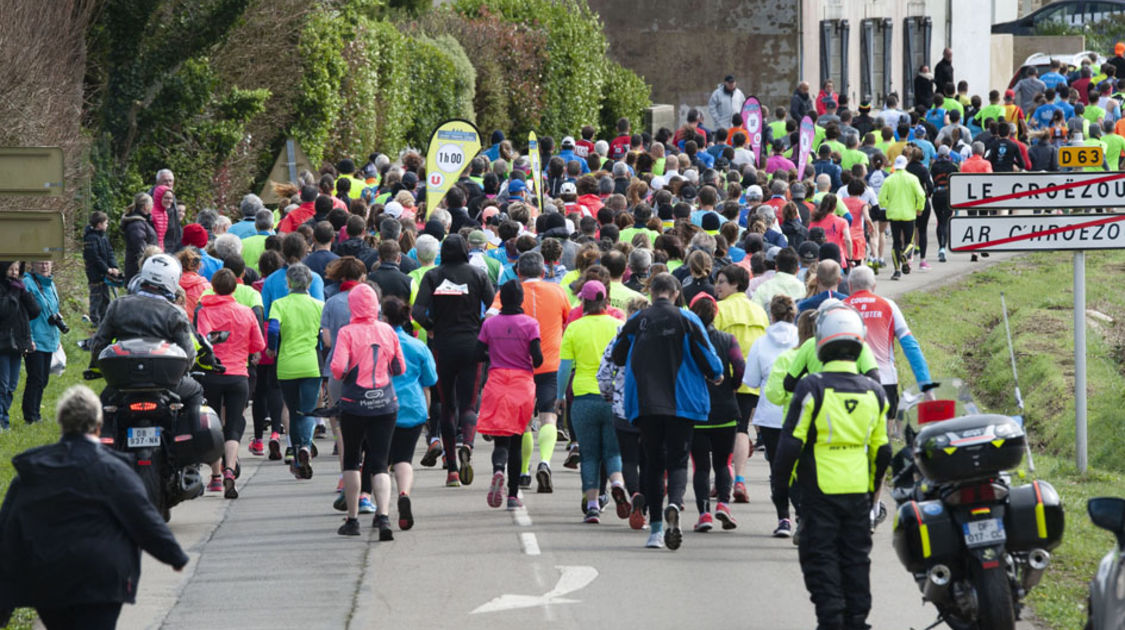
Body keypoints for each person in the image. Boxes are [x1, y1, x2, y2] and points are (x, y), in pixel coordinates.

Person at [0, 385, 189, 630]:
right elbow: (143, 517)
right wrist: (173, 555)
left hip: (49, 576)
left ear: (61, 423)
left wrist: (5, 599)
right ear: (98, 426)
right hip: (103, 575)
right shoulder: (114, 470)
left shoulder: (33, 471)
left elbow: (7, 530)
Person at [771, 302, 890, 630]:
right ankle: (857, 622)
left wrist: (779, 491)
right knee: (856, 561)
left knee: (820, 561)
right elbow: (882, 452)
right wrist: (871, 492)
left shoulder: (812, 388)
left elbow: (789, 445)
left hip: (818, 493)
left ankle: (833, 622)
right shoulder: (876, 393)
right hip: (857, 493)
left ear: (821, 341)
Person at [612, 273, 723, 550]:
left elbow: (617, 355)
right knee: (678, 460)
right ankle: (674, 502)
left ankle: (657, 530)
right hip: (683, 402)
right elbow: (707, 356)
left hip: (645, 402)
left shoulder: (637, 320)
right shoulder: (688, 319)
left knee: (652, 462)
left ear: (652, 294)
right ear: (675, 293)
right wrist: (717, 374)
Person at [843, 266, 933, 527]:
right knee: (878, 446)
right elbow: (910, 347)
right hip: (885, 384)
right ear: (874, 287)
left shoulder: (840, 307)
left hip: (848, 381)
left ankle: (852, 499)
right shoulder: (888, 306)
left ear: (849, 287)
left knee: (852, 444)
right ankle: (872, 507)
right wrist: (926, 386)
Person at [89, 254, 204, 441]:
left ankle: (105, 443)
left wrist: (105, 370)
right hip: (167, 383)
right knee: (196, 391)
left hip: (123, 382)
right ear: (173, 280)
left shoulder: (118, 306)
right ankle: (187, 440)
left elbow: (98, 345)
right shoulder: (175, 313)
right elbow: (189, 357)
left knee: (103, 405)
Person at [412, 234, 495, 487]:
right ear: (466, 250)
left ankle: (452, 472)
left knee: (448, 406)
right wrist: (480, 326)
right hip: (472, 345)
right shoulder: (478, 275)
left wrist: (432, 326)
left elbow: (417, 311)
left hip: (443, 346)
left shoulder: (433, 276)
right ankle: (467, 444)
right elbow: (493, 307)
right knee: (469, 405)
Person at [486, 252, 570, 492]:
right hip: (550, 363)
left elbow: (490, 317)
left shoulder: (508, 293)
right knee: (548, 416)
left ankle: (523, 471)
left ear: (517, 272)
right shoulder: (558, 292)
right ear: (544, 273)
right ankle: (544, 461)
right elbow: (567, 320)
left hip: (518, 365)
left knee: (522, 422)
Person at [329, 283, 404, 539]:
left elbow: (338, 369)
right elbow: (399, 367)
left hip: (355, 403)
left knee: (352, 459)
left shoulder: (347, 333)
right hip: (385, 402)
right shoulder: (387, 330)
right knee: (380, 462)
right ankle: (383, 517)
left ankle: (352, 519)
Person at [559, 280, 630, 523]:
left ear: (584, 301)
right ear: (606, 300)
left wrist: (559, 397)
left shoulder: (574, 328)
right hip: (613, 397)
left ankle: (592, 505)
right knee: (613, 451)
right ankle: (617, 483)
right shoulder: (619, 326)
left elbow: (565, 368)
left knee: (589, 455)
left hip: (583, 397)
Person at [195, 269, 265, 499]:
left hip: (212, 375)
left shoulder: (204, 312)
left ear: (213, 287)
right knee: (233, 426)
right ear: (234, 288)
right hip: (238, 375)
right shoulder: (245, 312)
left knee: (213, 425)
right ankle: (229, 472)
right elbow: (259, 345)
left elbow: (202, 342)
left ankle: (215, 477)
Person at [477, 280, 543, 511]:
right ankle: (513, 496)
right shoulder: (530, 324)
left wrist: (495, 353)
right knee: (517, 441)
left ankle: (497, 469)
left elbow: (478, 353)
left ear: (501, 299)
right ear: (521, 300)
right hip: (521, 384)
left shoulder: (490, 324)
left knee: (500, 439)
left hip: (496, 382)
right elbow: (538, 359)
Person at [686, 293, 744, 532]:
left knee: (700, 466)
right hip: (725, 410)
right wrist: (733, 385)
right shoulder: (727, 340)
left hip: (696, 412)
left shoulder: (687, 341)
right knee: (723, 463)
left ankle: (704, 514)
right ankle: (723, 503)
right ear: (715, 314)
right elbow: (740, 365)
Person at [745, 295, 801, 536]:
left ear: (771, 315)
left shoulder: (760, 343)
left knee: (777, 470)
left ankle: (783, 519)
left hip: (770, 415)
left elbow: (751, 381)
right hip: (800, 413)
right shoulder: (804, 341)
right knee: (801, 467)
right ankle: (802, 514)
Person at [712, 264, 768, 503]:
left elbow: (711, 342)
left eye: (722, 281)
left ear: (736, 284)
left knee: (721, 430)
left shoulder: (720, 309)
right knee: (742, 428)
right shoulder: (759, 311)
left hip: (724, 379)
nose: (717, 286)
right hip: (751, 380)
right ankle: (740, 480)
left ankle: (722, 477)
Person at [383, 296, 437, 529]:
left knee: (380, 463)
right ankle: (404, 492)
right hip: (412, 408)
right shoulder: (418, 347)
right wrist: (426, 415)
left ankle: (380, 509)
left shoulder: (379, 343)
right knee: (404, 459)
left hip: (382, 407)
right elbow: (430, 381)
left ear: (384, 318)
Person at [266, 263, 324, 480]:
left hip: (287, 365)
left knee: (293, 410)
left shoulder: (280, 304)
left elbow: (273, 328)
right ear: (309, 283)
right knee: (307, 411)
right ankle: (306, 448)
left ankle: (298, 450)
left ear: (288, 282)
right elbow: (323, 334)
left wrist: (272, 348)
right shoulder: (318, 305)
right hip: (311, 364)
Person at [0, 261, 40, 430]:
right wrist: (14, 292)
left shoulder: (19, 288)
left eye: (17, 269)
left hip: (17, 343)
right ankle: (3, 421)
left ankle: (4, 417)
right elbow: (5, 312)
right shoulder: (4, 289)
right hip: (2, 344)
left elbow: (35, 311)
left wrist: (24, 292)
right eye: (11, 269)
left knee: (11, 386)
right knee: (2, 385)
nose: (15, 273)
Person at [21, 260, 61, 425]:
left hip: (49, 337)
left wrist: (57, 337)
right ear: (32, 265)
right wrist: (29, 338)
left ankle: (36, 413)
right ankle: (30, 416)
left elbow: (54, 310)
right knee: (36, 378)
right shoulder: (27, 283)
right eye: (40, 263)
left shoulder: (51, 284)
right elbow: (24, 313)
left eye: (47, 263)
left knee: (43, 379)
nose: (44, 266)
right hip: (35, 339)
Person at [878, 155, 926, 280]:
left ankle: (897, 271)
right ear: (905, 165)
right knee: (909, 242)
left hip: (893, 215)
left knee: (896, 243)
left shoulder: (889, 179)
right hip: (909, 214)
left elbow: (881, 199)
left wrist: (887, 206)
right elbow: (921, 195)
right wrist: (919, 208)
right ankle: (905, 255)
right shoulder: (912, 179)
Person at [83, 212, 120, 325]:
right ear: (99, 224)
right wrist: (106, 269)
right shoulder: (90, 238)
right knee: (96, 297)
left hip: (105, 275)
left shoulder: (103, 237)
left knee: (105, 297)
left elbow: (110, 252)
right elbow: (94, 257)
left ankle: (105, 320)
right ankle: (95, 320)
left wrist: (113, 266)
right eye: (106, 223)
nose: (107, 225)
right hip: (95, 274)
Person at [122, 192, 158, 282]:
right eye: (152, 204)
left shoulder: (144, 221)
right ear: (146, 206)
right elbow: (140, 247)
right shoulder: (137, 224)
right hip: (137, 268)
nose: (153, 206)